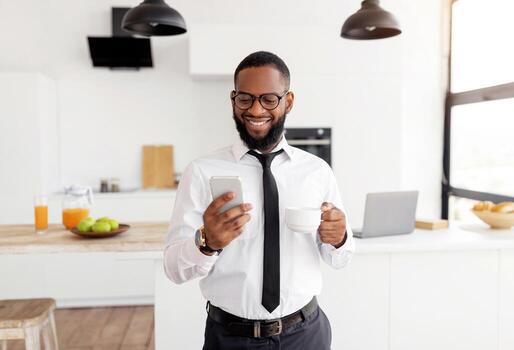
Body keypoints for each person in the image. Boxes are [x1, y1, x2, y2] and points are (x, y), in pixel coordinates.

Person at [164, 51, 355, 350]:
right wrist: (207, 242)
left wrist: (340, 238)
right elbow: (174, 269)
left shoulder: (317, 171)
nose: (255, 110)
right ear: (233, 100)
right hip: (229, 339)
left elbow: (341, 258)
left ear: (288, 101)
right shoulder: (201, 171)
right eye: (245, 99)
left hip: (306, 336)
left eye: (268, 99)